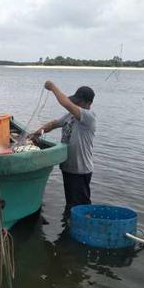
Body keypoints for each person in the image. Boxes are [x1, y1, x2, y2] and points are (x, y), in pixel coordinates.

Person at [33, 81, 96, 210]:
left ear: (88, 104)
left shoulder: (89, 117)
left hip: (80, 170)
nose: (76, 104)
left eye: (79, 102)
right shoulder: (71, 116)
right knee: (71, 204)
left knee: (80, 206)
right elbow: (54, 123)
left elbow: (66, 103)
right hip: (68, 168)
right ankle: (69, 225)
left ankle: (81, 226)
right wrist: (38, 132)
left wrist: (52, 87)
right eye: (76, 101)